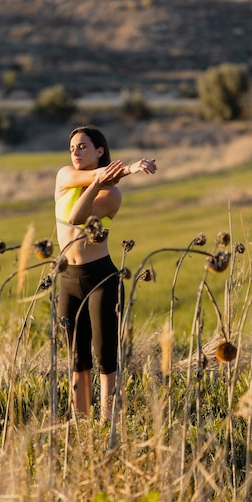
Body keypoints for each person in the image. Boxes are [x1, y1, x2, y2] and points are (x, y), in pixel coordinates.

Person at [55, 126, 157, 421]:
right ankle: (82, 424)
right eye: (72, 146)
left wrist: (105, 178)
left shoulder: (112, 195)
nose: (75, 152)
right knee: (78, 361)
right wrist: (123, 170)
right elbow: (88, 179)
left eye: (83, 146)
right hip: (68, 280)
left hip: (100, 278)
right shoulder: (64, 176)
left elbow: (77, 218)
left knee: (105, 358)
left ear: (100, 151)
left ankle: (106, 424)